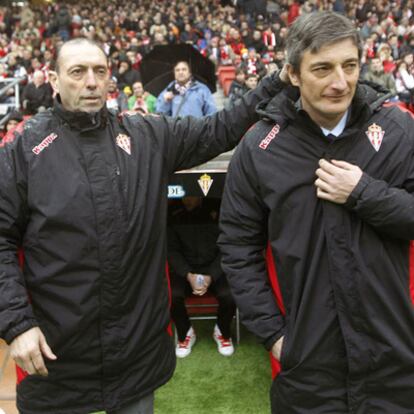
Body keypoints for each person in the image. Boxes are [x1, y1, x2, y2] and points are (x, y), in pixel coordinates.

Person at [0, 37, 285, 414]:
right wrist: (17, 324)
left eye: (99, 71)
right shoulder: (24, 150)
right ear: (54, 79)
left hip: (136, 357)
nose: (90, 81)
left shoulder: (146, 135)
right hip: (58, 360)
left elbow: (221, 128)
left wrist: (277, 80)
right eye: (77, 72)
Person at [218, 11, 414, 414]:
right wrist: (275, 336)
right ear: (292, 74)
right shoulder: (259, 147)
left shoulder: (398, 129)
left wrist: (363, 192)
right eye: (322, 68)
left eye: (349, 66)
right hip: (308, 368)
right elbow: (237, 248)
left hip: (395, 363)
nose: (339, 82)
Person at [168, 197, 236, 358]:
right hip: (185, 269)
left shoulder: (221, 211)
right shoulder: (173, 214)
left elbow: (226, 247)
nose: (187, 200)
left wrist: (211, 275)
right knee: (171, 294)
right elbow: (171, 250)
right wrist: (188, 274)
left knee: (231, 294)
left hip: (215, 268)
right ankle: (185, 333)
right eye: (184, 196)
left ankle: (222, 331)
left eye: (191, 196)